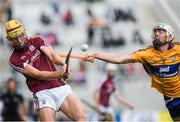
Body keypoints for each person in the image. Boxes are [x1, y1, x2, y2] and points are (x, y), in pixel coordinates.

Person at [84, 23, 180, 121]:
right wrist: (96, 55)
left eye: (160, 31)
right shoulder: (147, 54)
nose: (156, 34)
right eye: (155, 31)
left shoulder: (178, 49)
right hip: (171, 98)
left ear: (169, 35)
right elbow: (121, 58)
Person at [5, 19, 87, 121]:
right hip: (42, 93)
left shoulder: (37, 40)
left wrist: (64, 64)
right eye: (15, 38)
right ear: (9, 39)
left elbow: (52, 55)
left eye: (20, 36)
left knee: (82, 118)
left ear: (24, 32)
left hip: (60, 86)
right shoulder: (14, 59)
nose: (19, 40)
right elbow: (37, 74)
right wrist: (60, 74)